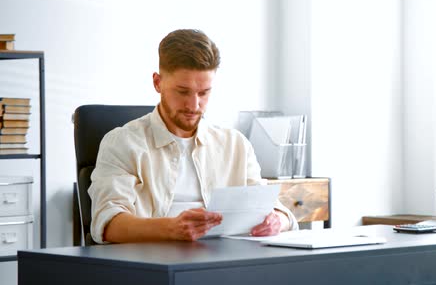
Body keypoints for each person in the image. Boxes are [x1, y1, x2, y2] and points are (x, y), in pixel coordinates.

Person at [88, 29, 298, 244]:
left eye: (204, 93)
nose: (194, 105)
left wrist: (277, 221)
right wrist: (170, 228)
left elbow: (277, 212)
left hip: (222, 264)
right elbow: (107, 224)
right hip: (154, 265)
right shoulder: (123, 143)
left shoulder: (235, 145)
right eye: (182, 91)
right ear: (158, 83)